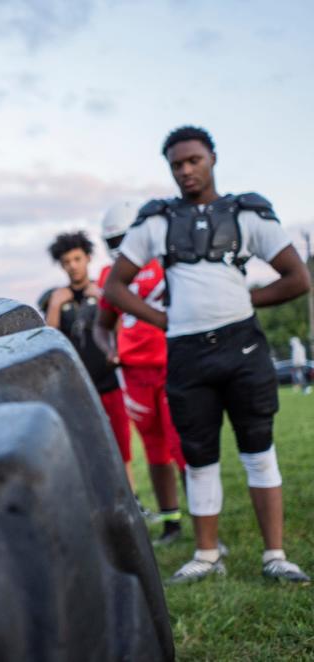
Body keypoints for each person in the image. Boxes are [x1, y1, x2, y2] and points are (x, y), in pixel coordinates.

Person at [104, 126, 312, 583]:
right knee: (199, 457)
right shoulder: (156, 222)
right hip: (187, 353)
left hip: (243, 348)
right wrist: (164, 320)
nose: (186, 170)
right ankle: (206, 554)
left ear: (212, 158)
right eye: (177, 164)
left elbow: (298, 277)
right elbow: (115, 287)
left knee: (259, 451)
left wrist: (242, 301)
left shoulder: (246, 214)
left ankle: (275, 555)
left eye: (194, 160)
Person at [94, 201, 185, 545]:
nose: (119, 246)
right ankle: (172, 522)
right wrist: (109, 350)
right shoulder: (108, 275)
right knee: (155, 449)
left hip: (171, 363)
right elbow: (102, 326)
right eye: (112, 240)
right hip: (133, 373)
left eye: (123, 237)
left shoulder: (165, 263)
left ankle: (208, 527)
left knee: (183, 447)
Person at [44, 232, 135, 495]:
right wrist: (54, 307)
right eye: (66, 261)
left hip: (110, 383)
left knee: (123, 449)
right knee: (90, 452)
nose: (72, 265)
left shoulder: (104, 291)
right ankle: (107, 505)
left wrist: (105, 300)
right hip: (78, 388)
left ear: (87, 259)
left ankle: (134, 501)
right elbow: (48, 340)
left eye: (77, 259)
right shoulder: (56, 298)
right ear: (62, 266)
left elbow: (121, 332)